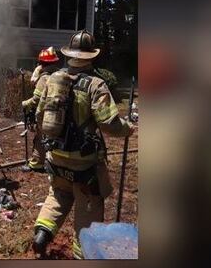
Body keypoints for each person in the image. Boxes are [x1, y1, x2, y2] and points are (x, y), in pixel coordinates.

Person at [31, 30, 135, 259]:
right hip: (84, 163)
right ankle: (84, 252)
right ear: (91, 56)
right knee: (89, 203)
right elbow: (110, 124)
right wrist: (128, 128)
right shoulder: (96, 85)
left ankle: (42, 234)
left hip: (55, 156)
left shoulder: (51, 79)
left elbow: (39, 115)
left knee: (58, 194)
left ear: (69, 54)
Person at [20, 46, 61, 172]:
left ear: (42, 63)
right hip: (60, 115)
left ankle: (36, 163)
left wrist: (25, 103)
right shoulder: (60, 76)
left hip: (45, 115)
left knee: (40, 138)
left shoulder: (44, 78)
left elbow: (36, 99)